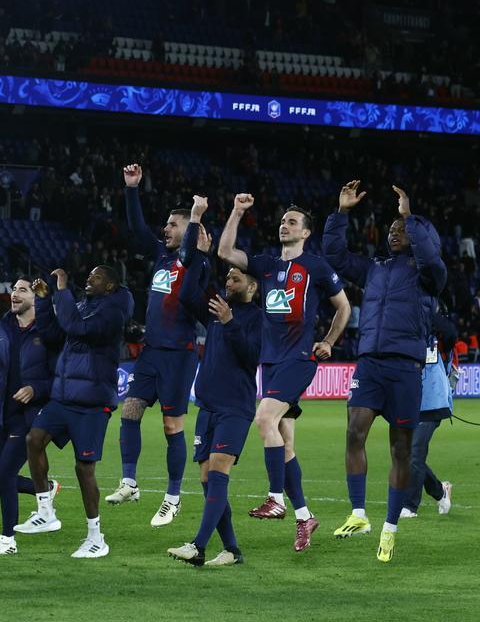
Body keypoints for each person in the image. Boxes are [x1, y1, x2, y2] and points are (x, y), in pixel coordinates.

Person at [218, 194, 351, 552]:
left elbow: (344, 307)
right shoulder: (264, 264)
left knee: (264, 419)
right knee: (285, 443)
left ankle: (275, 497)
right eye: (283, 221)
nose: (285, 225)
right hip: (272, 362)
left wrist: (328, 341)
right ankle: (304, 517)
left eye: (293, 222)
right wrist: (237, 211)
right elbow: (226, 252)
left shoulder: (316, 267)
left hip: (298, 359)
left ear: (306, 233)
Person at [323, 182, 446, 562]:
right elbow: (335, 255)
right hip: (370, 363)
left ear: (417, 234)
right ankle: (360, 514)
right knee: (353, 431)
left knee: (400, 449)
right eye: (392, 229)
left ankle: (390, 529)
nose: (394, 233)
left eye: (401, 229)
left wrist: (411, 217)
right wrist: (341, 213)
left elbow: (429, 254)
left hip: (406, 368)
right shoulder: (374, 270)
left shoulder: (430, 275)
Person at [166, 196, 262, 567]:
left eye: (235, 277)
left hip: (235, 408)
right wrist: (203, 257)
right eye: (227, 277)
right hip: (207, 407)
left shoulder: (255, 317)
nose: (228, 280)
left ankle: (198, 545)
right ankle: (233, 550)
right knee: (208, 479)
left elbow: (252, 356)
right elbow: (189, 293)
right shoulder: (221, 308)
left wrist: (229, 323)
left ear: (251, 287)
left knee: (218, 471)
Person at [108, 164, 202, 527]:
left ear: (189, 230)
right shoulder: (162, 256)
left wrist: (194, 219)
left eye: (173, 224)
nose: (165, 228)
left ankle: (173, 497)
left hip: (179, 354)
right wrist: (132, 189)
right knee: (129, 410)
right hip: (151, 351)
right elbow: (136, 229)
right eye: (166, 223)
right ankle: (129, 482)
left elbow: (192, 253)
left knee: (171, 426)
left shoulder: (195, 262)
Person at [20, 266, 134, 559]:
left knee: (84, 470)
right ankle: (45, 510)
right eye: (90, 275)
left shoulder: (113, 313)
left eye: (96, 277)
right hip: (64, 397)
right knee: (33, 439)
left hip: (92, 403)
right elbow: (54, 335)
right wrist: (45, 301)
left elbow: (77, 328)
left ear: (109, 286)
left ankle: (96, 537)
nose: (89, 279)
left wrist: (61, 290)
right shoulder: (83, 306)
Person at [0, 276, 63, 555]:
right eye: (14, 290)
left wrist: (35, 388)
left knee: (6, 473)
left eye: (22, 290)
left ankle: (8, 540)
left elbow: (58, 377)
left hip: (30, 418)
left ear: (36, 298)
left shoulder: (47, 332)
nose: (15, 294)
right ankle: (44, 487)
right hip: (1, 416)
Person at [401, 307, 457, 519]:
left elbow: (451, 333)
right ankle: (440, 490)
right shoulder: (408, 334)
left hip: (433, 403)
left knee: (415, 453)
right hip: (410, 402)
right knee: (407, 455)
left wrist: (427, 311)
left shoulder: (441, 338)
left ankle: (410, 506)